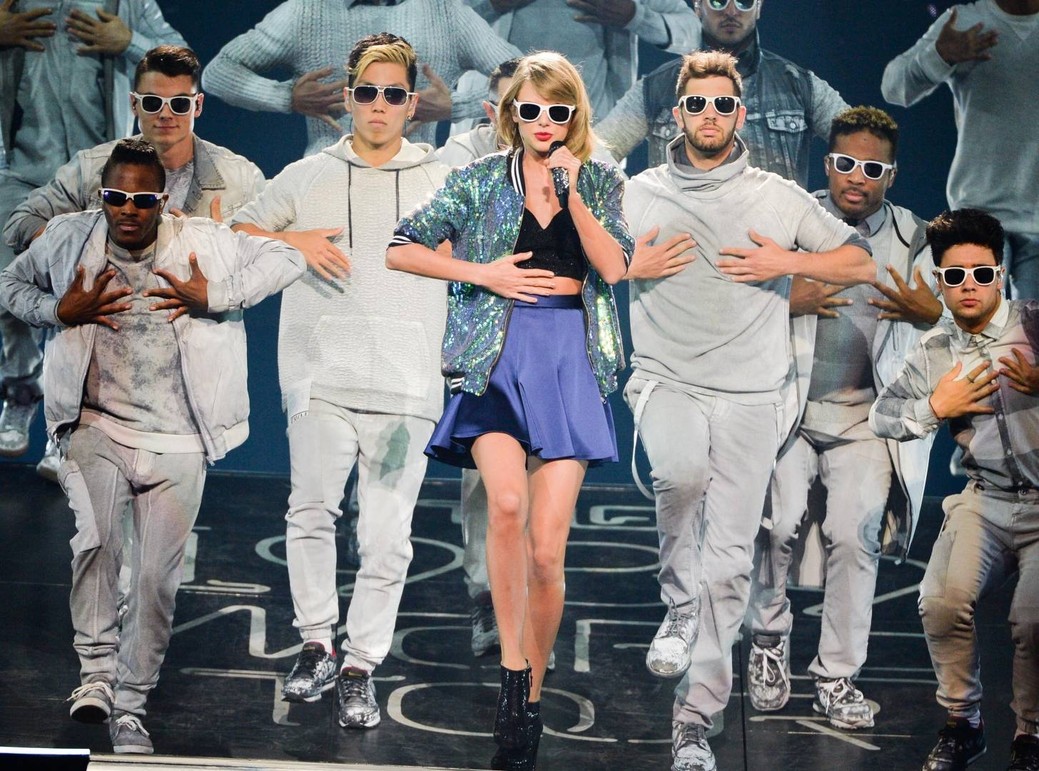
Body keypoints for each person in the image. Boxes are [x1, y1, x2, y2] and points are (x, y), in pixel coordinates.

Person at [0, 138, 304, 754]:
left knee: (156, 582)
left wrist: (215, 296)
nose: (128, 210)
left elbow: (286, 256)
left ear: (162, 201)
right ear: (102, 197)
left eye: (142, 200)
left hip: (179, 437)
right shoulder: (69, 238)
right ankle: (96, 677)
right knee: (96, 544)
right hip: (95, 425)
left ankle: (132, 705)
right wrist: (58, 310)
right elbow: (10, 283)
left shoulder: (202, 242)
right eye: (116, 197)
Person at [622, 51, 873, 771]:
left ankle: (693, 721)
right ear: (678, 114)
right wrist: (629, 264)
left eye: (723, 105)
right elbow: (584, 255)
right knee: (677, 475)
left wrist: (787, 263)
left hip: (752, 397)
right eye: (697, 104)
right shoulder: (638, 192)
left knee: (731, 565)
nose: (710, 115)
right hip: (667, 377)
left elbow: (858, 261)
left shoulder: (776, 195)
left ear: (740, 114)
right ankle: (678, 603)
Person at [388, 50, 632, 770]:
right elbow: (401, 248)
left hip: (569, 362)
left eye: (557, 111)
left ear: (573, 116)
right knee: (503, 503)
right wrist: (480, 272)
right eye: (530, 109)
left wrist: (574, 194)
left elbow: (615, 267)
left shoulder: (600, 181)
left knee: (547, 551)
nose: (543, 122)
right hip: (496, 355)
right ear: (510, 114)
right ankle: (511, 674)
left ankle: (532, 692)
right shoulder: (476, 180)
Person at [230, 33, 450, 730]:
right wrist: (292, 241)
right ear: (347, 99)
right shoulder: (306, 175)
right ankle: (316, 644)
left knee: (386, 537)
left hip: (408, 383)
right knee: (311, 512)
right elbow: (234, 233)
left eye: (393, 94)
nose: (379, 105)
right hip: (320, 375)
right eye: (367, 92)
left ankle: (360, 664)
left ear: (412, 104)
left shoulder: (443, 178)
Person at [742, 106, 943, 729]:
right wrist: (784, 299)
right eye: (846, 163)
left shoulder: (917, 240)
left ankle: (836, 675)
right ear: (827, 163)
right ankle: (767, 641)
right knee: (776, 525)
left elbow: (965, 321)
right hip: (790, 409)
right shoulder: (790, 218)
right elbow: (730, 298)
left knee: (857, 534)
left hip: (864, 418)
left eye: (872, 168)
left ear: (892, 175)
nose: (857, 177)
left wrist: (932, 317)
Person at [4, 44, 266, 481]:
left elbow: (272, 255)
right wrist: (77, 243)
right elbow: (20, 223)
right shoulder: (93, 168)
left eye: (179, 104)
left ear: (198, 105)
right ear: (133, 104)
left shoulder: (238, 178)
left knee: (166, 520)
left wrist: (224, 245)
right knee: (96, 519)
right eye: (152, 102)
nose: (166, 114)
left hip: (186, 385)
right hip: (99, 378)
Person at [870, 208, 1039, 771]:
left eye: (982, 274)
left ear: (1000, 274)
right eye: (956, 275)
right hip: (985, 499)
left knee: (1033, 620)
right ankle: (963, 724)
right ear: (940, 281)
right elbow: (881, 416)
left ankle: (1031, 736)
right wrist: (934, 407)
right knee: (941, 601)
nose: (970, 286)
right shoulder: (934, 349)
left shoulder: (1034, 325)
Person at [0, 0, 186, 458]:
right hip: (20, 169)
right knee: (8, 294)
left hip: (96, 176)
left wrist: (130, 42)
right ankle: (21, 389)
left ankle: (66, 427)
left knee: (90, 301)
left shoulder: (127, 3)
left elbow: (182, 60)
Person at [201, 0, 521, 156]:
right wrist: (286, 97)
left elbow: (529, 76)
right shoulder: (307, 11)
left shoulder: (444, 12)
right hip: (324, 184)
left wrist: (456, 106)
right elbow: (219, 72)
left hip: (418, 185)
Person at [881, 0, 1038, 301]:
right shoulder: (966, 21)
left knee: (1030, 330)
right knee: (977, 327)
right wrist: (939, 56)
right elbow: (894, 86)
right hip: (979, 212)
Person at [597, 0, 848, 183]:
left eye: (744, 2)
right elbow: (594, 153)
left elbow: (863, 145)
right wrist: (632, 207)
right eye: (718, 1)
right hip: (684, 240)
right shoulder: (657, 87)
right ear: (697, 6)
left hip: (776, 239)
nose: (731, 11)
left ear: (759, 7)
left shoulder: (799, 85)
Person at [451, 0, 696, 131]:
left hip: (586, 137)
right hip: (491, 131)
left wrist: (635, 15)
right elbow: (439, 21)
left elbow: (691, 30)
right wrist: (491, 4)